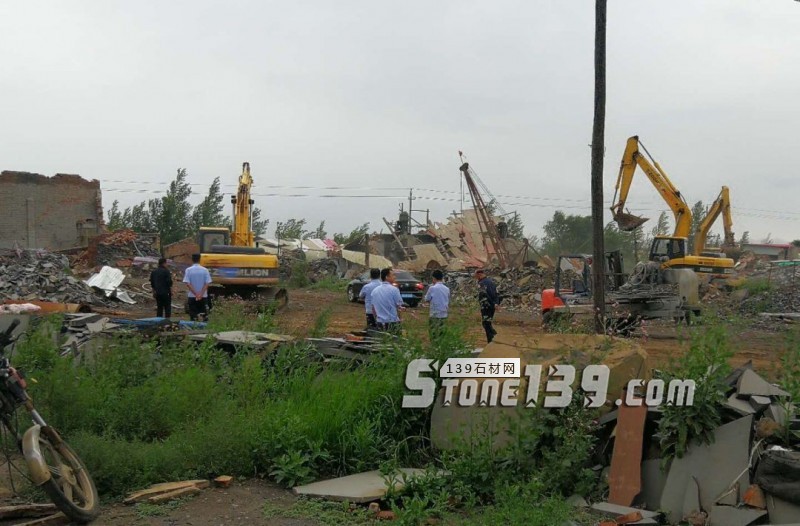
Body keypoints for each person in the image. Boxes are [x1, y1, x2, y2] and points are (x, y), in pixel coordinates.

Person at [370, 268, 405, 334]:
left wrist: (377, 319)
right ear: (387, 277)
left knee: (382, 341)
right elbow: (399, 306)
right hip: (392, 322)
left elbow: (373, 308)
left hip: (380, 322)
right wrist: (400, 320)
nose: (395, 277)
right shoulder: (394, 290)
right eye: (393, 275)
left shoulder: (375, 291)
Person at [183, 253, 212, 321]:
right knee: (204, 315)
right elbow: (207, 283)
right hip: (203, 296)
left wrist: (196, 294)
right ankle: (204, 329)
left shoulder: (188, 270)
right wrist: (201, 294)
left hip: (192, 296)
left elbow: (188, 283)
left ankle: (194, 328)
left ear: (192, 260)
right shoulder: (205, 270)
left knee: (193, 315)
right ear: (200, 259)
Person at [424, 269, 450, 341]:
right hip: (444, 314)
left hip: (434, 315)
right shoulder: (447, 289)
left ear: (434, 278)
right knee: (442, 334)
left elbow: (427, 299)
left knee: (434, 334)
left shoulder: (432, 288)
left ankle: (434, 348)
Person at [475, 269, 499, 343]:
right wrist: (496, 304)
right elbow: (496, 294)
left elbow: (485, 295)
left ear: (479, 274)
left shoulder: (481, 283)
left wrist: (492, 304)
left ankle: (492, 338)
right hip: (492, 306)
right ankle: (493, 336)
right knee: (487, 323)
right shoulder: (491, 282)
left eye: (476, 276)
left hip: (486, 306)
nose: (476, 278)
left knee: (486, 323)